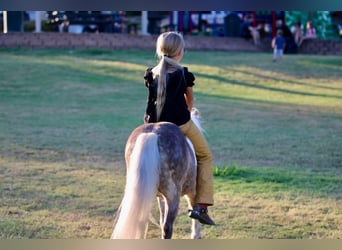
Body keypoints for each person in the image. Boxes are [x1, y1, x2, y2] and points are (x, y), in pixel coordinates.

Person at [143, 31, 215, 226]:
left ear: (160, 51)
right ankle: (200, 206)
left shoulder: (151, 73)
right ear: (180, 52)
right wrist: (186, 112)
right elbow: (189, 102)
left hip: (152, 125)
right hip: (181, 124)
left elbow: (153, 101)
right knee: (205, 156)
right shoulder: (184, 74)